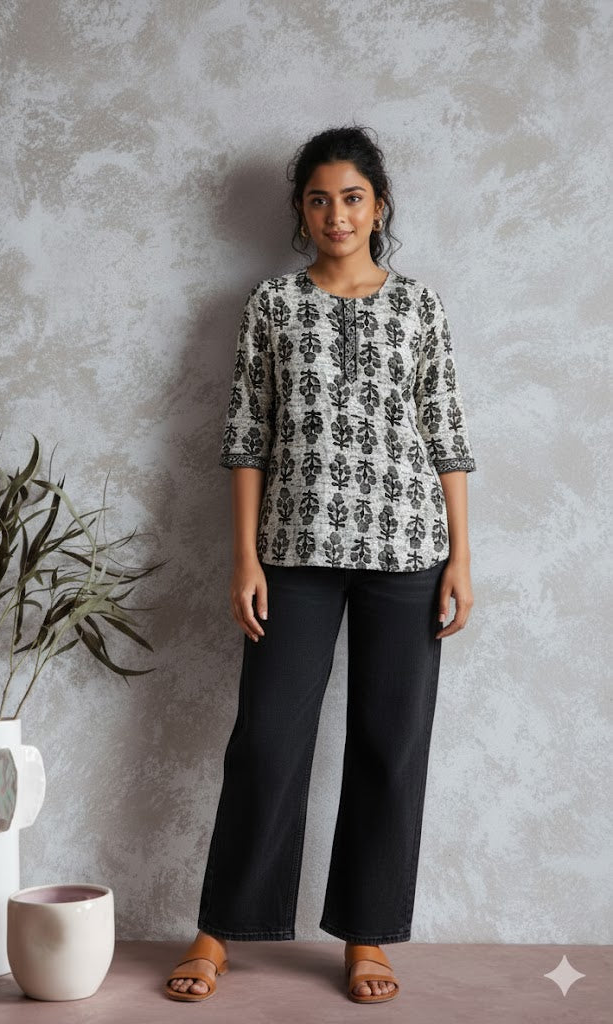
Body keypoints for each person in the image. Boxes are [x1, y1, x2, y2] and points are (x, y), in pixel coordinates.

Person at [165, 124, 477, 1005]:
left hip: (406, 551)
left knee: (389, 744)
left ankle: (366, 937)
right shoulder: (271, 303)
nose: (335, 214)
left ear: (378, 206)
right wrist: (243, 557)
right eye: (317, 199)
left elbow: (445, 434)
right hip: (292, 554)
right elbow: (245, 435)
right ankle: (219, 927)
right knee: (266, 742)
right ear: (300, 212)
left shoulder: (419, 306)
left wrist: (460, 557)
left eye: (351, 197)